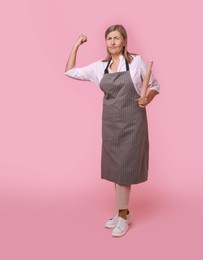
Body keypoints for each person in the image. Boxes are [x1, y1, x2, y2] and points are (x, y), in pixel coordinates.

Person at [64, 24, 160, 237]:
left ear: (124, 41)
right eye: (109, 38)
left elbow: (154, 85)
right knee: (117, 168)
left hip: (133, 123)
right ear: (106, 43)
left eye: (117, 38)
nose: (113, 42)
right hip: (110, 123)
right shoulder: (100, 67)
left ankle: (123, 215)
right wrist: (76, 45)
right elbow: (70, 71)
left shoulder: (136, 62)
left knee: (125, 168)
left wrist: (148, 98)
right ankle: (121, 213)